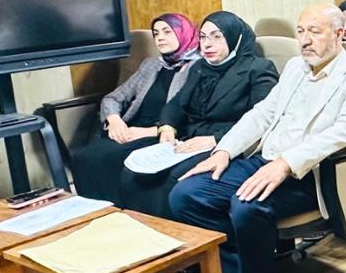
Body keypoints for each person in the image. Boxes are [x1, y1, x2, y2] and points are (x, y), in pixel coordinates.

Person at [166, 4, 346, 273]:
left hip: (311, 174)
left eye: (315, 32)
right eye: (300, 31)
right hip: (265, 159)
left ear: (339, 35)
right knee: (185, 195)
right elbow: (262, 113)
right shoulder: (296, 67)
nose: (305, 40)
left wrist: (287, 163)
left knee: (246, 204)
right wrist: (224, 150)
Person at [118, 12, 277, 216]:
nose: (207, 44)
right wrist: (167, 128)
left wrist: (215, 140)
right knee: (133, 174)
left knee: (173, 178)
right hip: (189, 140)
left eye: (216, 36)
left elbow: (262, 120)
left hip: (227, 144)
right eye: (203, 37)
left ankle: (176, 234)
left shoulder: (258, 69)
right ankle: (143, 228)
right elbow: (177, 103)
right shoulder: (200, 67)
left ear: (234, 38)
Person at [71, 14, 200, 201]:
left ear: (183, 33)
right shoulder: (151, 65)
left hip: (163, 134)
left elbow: (192, 118)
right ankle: (97, 210)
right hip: (129, 130)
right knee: (83, 156)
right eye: (156, 33)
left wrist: (149, 132)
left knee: (112, 159)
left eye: (167, 32)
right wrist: (115, 121)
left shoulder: (197, 67)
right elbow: (113, 98)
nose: (160, 38)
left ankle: (122, 210)